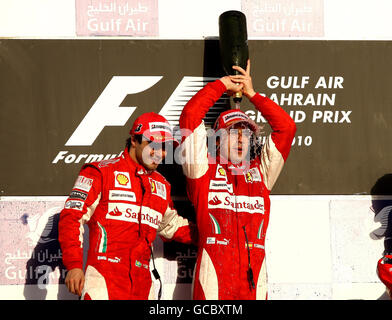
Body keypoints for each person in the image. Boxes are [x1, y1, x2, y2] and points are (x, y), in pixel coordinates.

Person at [178, 60, 296, 299]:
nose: (241, 139)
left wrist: (252, 93)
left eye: (246, 133)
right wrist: (222, 84)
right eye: (233, 132)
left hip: (253, 282)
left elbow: (286, 128)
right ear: (218, 140)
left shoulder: (262, 172)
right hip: (213, 283)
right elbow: (190, 116)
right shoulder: (202, 169)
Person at [59, 112, 197, 300]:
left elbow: (171, 225)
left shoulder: (162, 185)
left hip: (142, 284)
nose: (160, 152)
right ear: (134, 140)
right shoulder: (100, 172)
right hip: (104, 280)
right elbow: (71, 217)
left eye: (165, 147)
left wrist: (210, 235)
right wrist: (74, 265)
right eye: (154, 145)